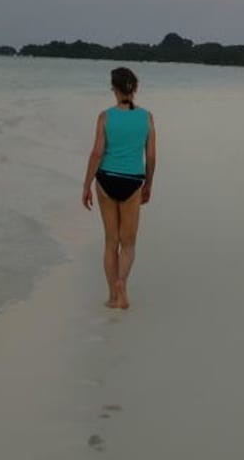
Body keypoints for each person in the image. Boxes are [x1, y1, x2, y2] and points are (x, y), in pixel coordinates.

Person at [82, 67, 157, 309]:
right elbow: (151, 156)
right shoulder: (147, 117)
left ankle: (113, 297)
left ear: (114, 89)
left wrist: (86, 184)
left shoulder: (105, 117)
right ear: (135, 88)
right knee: (129, 243)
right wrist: (148, 184)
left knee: (111, 241)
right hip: (132, 181)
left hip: (106, 179)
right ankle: (122, 283)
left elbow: (97, 153)